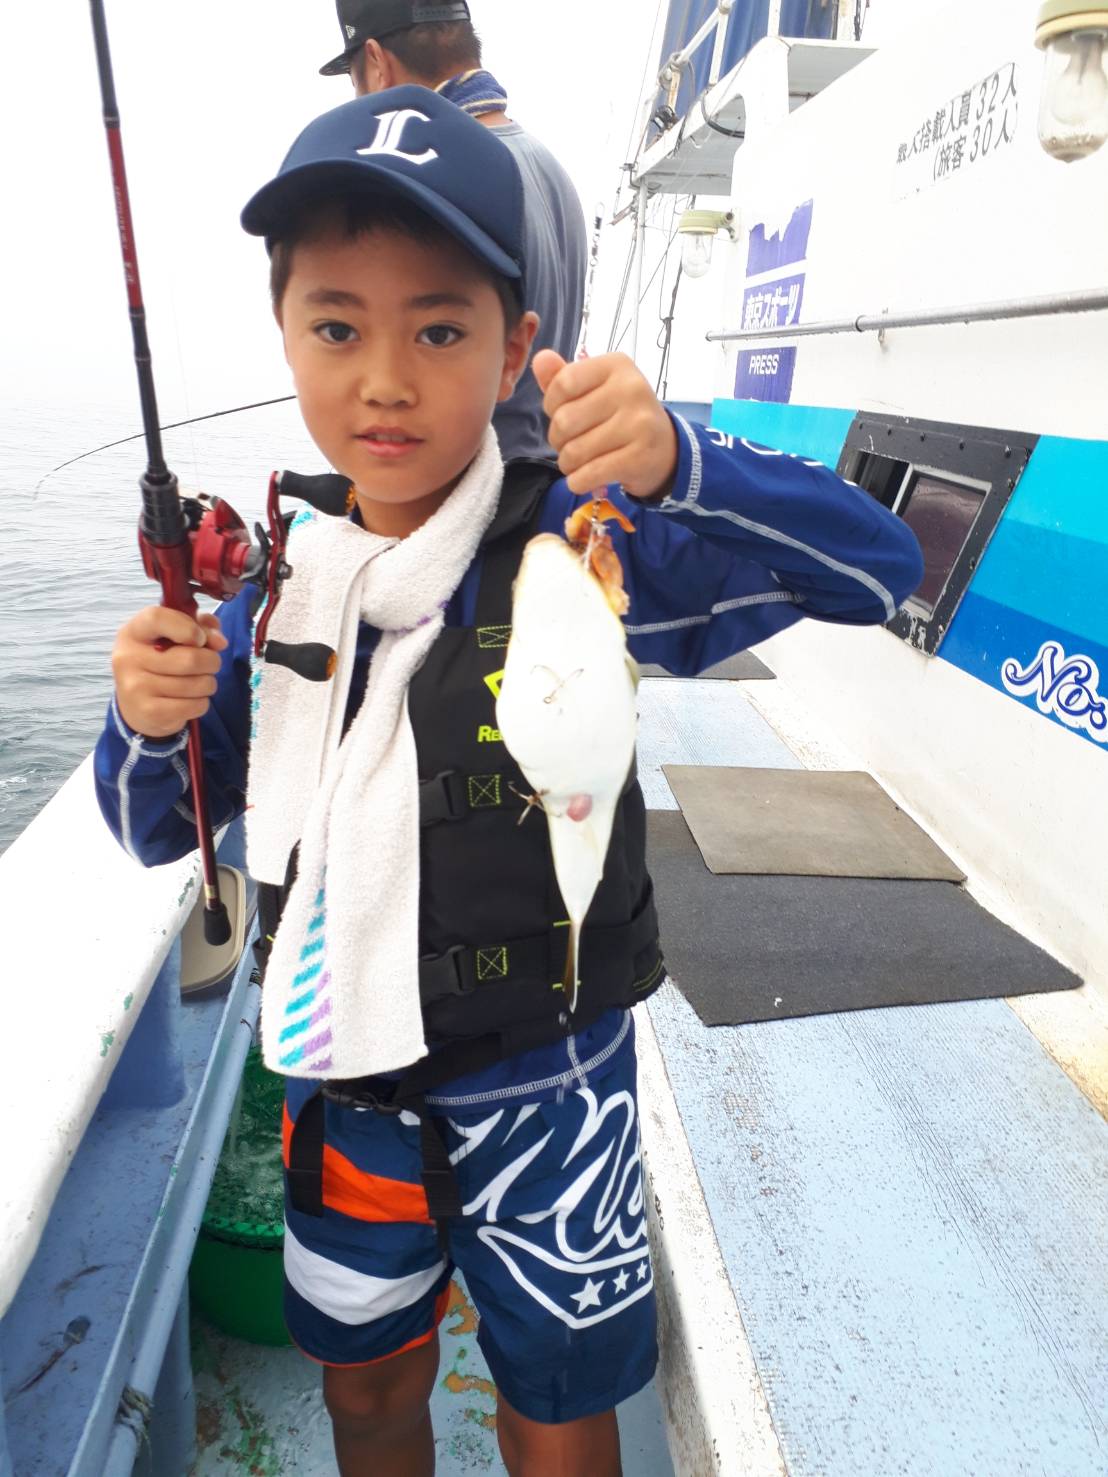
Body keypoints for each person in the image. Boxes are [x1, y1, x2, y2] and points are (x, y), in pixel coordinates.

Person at [95, 91, 923, 1477]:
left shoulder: (591, 549)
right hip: (345, 1085)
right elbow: (145, 823)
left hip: (555, 1084)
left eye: (439, 329)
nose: (384, 380)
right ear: (284, 331)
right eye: (337, 327)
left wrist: (684, 462)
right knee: (367, 1389)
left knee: (560, 1402)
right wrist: (143, 715)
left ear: (515, 345)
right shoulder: (274, 601)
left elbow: (878, 570)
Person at [319, 0, 588, 465]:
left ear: (377, 64)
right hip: (544, 480)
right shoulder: (548, 167)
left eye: (354, 81)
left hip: (470, 489)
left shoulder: (439, 183)